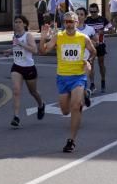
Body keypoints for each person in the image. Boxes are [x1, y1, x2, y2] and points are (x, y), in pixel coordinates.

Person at [39, 11, 96, 153]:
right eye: (66, 22)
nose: (69, 24)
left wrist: (88, 62)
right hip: (62, 77)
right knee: (65, 111)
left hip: (78, 76)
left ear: (77, 23)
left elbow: (93, 51)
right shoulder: (58, 37)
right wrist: (43, 38)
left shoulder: (83, 38)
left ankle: (71, 141)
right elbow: (43, 51)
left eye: (71, 21)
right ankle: (83, 96)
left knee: (75, 106)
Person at [4, 15, 45, 128]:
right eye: (15, 22)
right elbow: (17, 48)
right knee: (16, 90)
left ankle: (41, 104)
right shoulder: (15, 36)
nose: (17, 24)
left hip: (29, 67)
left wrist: (21, 43)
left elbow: (34, 50)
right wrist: (9, 51)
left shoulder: (28, 36)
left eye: (19, 22)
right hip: (17, 66)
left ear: (25, 24)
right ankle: (16, 117)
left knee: (33, 92)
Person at [85, 3, 112, 93]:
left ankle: (103, 81)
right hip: (90, 45)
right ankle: (92, 84)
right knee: (90, 64)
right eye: (91, 11)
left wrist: (103, 32)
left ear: (98, 11)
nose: (93, 13)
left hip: (100, 45)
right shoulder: (87, 20)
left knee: (101, 64)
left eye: (94, 11)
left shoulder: (102, 19)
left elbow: (111, 29)